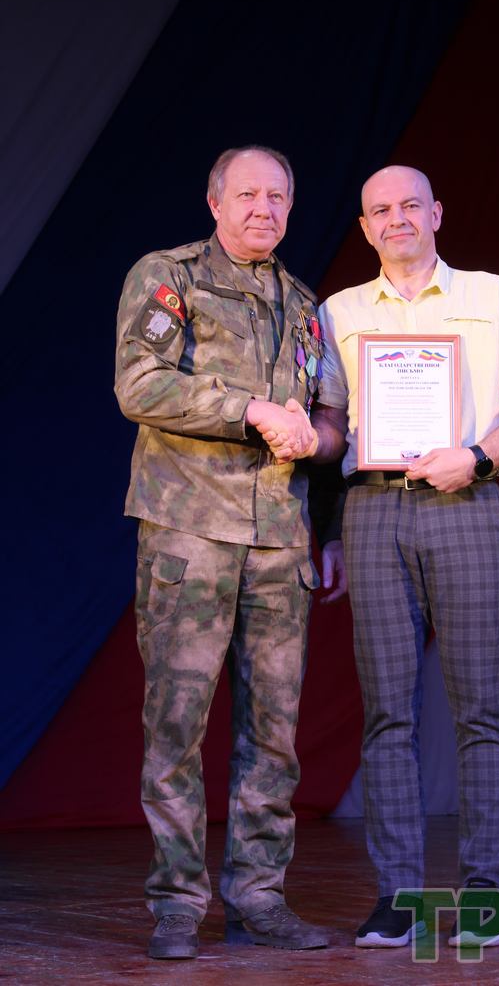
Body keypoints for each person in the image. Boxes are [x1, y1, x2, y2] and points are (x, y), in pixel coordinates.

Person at [295, 165, 499, 949]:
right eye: (380, 210)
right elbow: (332, 427)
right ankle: (399, 897)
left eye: (410, 204)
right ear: (365, 227)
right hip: (373, 512)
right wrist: (319, 486)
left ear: (436, 213)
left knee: (479, 708)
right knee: (387, 714)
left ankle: (483, 894)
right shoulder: (338, 312)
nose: (397, 219)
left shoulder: (491, 296)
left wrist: (476, 458)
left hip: (464, 505)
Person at [114, 145, 344, 960]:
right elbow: (139, 383)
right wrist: (250, 409)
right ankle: (177, 904)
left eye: (277, 196)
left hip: (279, 541)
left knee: (274, 733)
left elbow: (330, 423)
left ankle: (259, 899)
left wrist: (315, 440)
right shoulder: (168, 275)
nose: (262, 208)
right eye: (246, 194)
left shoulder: (305, 304)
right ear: (215, 203)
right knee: (176, 726)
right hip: (190, 534)